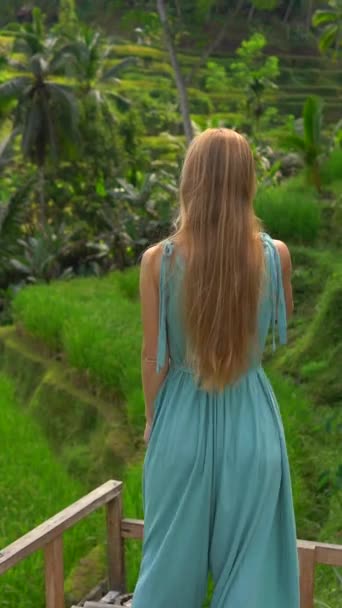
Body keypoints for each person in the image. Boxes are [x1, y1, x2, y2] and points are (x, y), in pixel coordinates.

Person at [133, 128, 300, 607]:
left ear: (191, 180)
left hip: (180, 428)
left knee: (166, 577)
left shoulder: (158, 262)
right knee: (255, 582)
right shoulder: (275, 255)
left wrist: (153, 421)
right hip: (252, 428)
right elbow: (277, 316)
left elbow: (154, 356)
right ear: (247, 182)